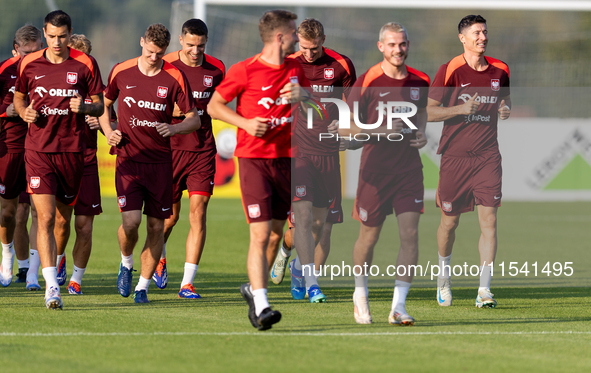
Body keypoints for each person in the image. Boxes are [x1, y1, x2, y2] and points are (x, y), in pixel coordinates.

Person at [208, 9, 310, 330]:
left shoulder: (296, 68)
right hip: (254, 160)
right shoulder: (245, 70)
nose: (297, 36)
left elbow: (317, 107)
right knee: (261, 233)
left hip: (288, 160)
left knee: (277, 234)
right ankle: (263, 305)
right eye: (294, 32)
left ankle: (253, 290)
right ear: (280, 36)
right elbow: (214, 106)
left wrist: (304, 94)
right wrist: (246, 123)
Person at [98, 23, 199, 304]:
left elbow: (195, 117)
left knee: (156, 227)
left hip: (160, 165)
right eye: (150, 51)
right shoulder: (121, 70)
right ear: (142, 42)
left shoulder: (175, 76)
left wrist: (176, 129)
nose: (154, 57)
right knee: (130, 223)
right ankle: (126, 262)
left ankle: (142, 287)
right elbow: (104, 105)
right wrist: (108, 131)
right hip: (128, 159)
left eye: (160, 53)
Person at [13, 10, 105, 309]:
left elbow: (100, 104)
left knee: (63, 222)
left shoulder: (85, 63)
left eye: (62, 36)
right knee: (46, 217)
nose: (56, 42)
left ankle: (58, 273)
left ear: (70, 33)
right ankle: (51, 287)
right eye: (51, 36)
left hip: (73, 151)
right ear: (45, 32)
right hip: (38, 150)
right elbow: (19, 96)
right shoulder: (30, 62)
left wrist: (85, 108)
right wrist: (24, 111)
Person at [343, 22, 429, 325]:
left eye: (402, 44)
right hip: (375, 171)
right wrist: (380, 129)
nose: (398, 50)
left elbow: (421, 118)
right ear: (381, 46)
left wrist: (422, 135)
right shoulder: (367, 81)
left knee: (410, 234)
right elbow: (346, 125)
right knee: (369, 237)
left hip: (408, 170)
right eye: (392, 45)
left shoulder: (421, 81)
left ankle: (398, 307)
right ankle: (360, 295)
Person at [269, 18, 356, 303]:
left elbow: (352, 108)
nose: (309, 53)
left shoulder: (342, 66)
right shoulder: (287, 63)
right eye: (304, 47)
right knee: (302, 220)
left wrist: (345, 129)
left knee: (323, 227)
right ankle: (312, 283)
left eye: (314, 48)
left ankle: (291, 259)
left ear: (324, 40)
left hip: (329, 155)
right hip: (298, 155)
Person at [427, 15, 511, 308]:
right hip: (454, 158)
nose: (482, 37)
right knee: (449, 224)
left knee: (489, 221)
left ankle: (484, 290)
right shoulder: (449, 69)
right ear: (463, 38)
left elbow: (505, 101)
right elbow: (428, 112)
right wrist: (460, 109)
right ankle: (443, 278)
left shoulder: (501, 70)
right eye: (476, 32)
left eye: (485, 32)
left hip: (488, 156)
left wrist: (504, 109)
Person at [155, 19, 225, 299]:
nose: (196, 51)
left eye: (201, 46)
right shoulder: (166, 64)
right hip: (170, 148)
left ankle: (187, 283)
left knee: (199, 212)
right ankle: (159, 257)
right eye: (191, 45)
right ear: (181, 41)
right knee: (169, 219)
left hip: (202, 148)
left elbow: (220, 102)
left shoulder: (217, 68)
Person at [0, 25, 43, 288]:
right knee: (9, 213)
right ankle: (7, 256)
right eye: (26, 52)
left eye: (36, 51)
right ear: (16, 48)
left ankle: (32, 273)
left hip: (42, 146)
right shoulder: (4, 70)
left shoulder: (50, 67)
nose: (31, 56)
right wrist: (13, 109)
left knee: (38, 212)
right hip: (13, 146)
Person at [63, 34, 103, 295]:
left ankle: (76, 279)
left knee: (84, 226)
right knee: (59, 222)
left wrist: (99, 122)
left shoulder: (97, 91)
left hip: (88, 161)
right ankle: (56, 263)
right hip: (63, 160)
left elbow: (110, 119)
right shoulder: (59, 87)